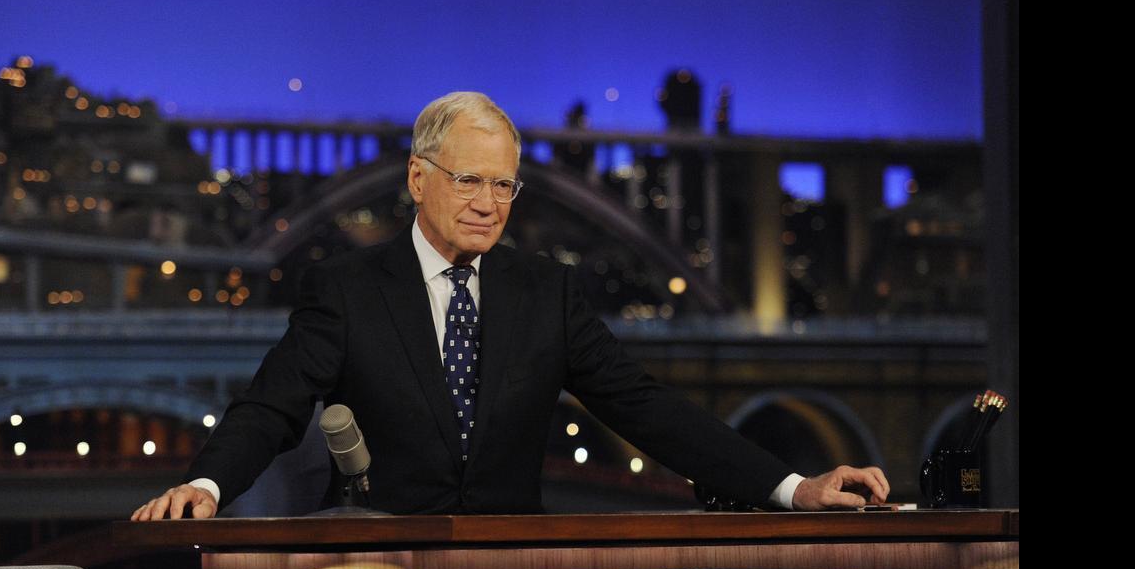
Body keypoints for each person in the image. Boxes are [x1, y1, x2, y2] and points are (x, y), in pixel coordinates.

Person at [132, 92, 888, 521]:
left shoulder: (545, 292)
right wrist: (206, 486)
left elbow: (648, 408)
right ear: (418, 179)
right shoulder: (349, 291)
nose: (488, 204)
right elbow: (270, 405)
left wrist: (794, 488)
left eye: (504, 185)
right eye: (469, 181)